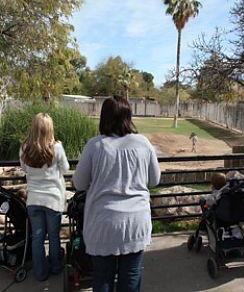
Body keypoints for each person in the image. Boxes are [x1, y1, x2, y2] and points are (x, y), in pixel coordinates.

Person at [72, 95, 161, 292]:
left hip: (103, 224)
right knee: (131, 276)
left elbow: (79, 183)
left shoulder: (95, 145)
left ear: (104, 117)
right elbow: (154, 180)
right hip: (135, 223)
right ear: (128, 116)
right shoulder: (143, 143)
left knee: (102, 277)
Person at [19, 113, 69, 281]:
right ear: (50, 129)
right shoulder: (57, 148)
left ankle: (40, 273)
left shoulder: (24, 148)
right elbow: (66, 168)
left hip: (33, 200)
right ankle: (56, 266)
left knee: (37, 238)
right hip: (53, 200)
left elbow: (25, 170)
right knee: (54, 236)